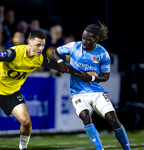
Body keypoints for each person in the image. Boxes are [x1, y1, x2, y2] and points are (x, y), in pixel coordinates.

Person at [0, 30, 78, 150]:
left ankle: (22, 148)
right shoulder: (13, 53)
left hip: (11, 92)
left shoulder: (39, 59)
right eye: (38, 45)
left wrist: (82, 74)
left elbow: (60, 67)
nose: (41, 48)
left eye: (43, 45)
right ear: (29, 43)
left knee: (26, 122)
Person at [51, 22, 130, 150]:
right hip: (78, 93)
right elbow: (55, 52)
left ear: (96, 40)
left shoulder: (102, 54)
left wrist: (92, 77)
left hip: (96, 92)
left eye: (88, 40)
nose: (84, 41)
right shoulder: (74, 47)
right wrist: (60, 61)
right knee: (85, 116)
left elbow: (106, 76)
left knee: (113, 119)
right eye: (83, 37)